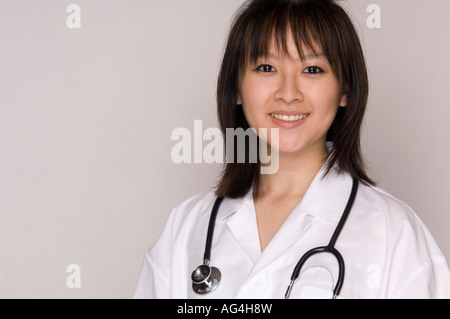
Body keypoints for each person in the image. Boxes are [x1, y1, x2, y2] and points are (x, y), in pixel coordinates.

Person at [134, 0, 450, 298]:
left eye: (312, 69)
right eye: (266, 68)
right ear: (236, 89)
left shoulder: (394, 233)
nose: (288, 93)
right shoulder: (187, 228)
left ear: (345, 91)